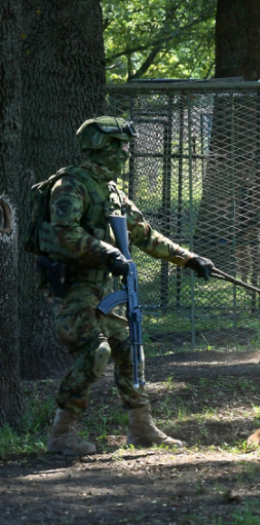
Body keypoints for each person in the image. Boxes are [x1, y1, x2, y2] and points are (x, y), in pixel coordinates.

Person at [41, 116, 215, 455]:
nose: (125, 153)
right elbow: (63, 233)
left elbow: (145, 234)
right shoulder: (70, 185)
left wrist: (189, 259)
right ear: (100, 147)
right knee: (96, 352)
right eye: (118, 146)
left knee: (129, 351)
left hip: (103, 289)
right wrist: (107, 252)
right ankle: (61, 434)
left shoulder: (111, 191)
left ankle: (141, 429)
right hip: (73, 289)